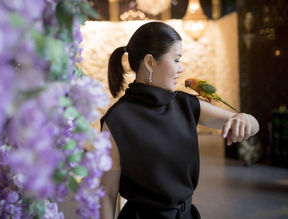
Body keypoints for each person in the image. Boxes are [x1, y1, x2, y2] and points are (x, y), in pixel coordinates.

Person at [99, 22, 259, 219]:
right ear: (149, 62)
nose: (181, 68)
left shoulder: (186, 104)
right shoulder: (116, 121)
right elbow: (107, 195)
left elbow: (252, 125)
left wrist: (244, 119)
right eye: (176, 59)